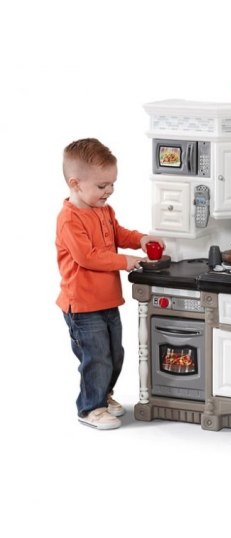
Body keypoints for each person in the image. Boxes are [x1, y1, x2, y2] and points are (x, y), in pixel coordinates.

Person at [56, 138, 164, 430]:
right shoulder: (69, 220)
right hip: (82, 305)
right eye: (102, 186)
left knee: (115, 355)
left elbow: (118, 233)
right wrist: (125, 261)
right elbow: (87, 256)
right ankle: (90, 408)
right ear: (76, 184)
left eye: (112, 184)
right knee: (96, 358)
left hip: (107, 300)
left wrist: (141, 239)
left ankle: (103, 395)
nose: (109, 191)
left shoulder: (103, 210)